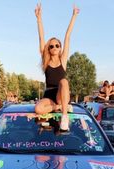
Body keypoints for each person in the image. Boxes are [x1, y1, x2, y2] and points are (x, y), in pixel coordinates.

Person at [34, 3, 79, 131]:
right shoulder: (46, 61)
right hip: (49, 95)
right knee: (38, 109)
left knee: (64, 81)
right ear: (48, 48)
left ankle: (64, 117)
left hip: (61, 94)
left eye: (57, 45)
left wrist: (74, 16)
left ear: (60, 48)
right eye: (51, 46)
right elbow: (41, 37)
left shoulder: (63, 59)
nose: (54, 47)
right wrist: (38, 18)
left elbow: (68, 36)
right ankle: (59, 108)